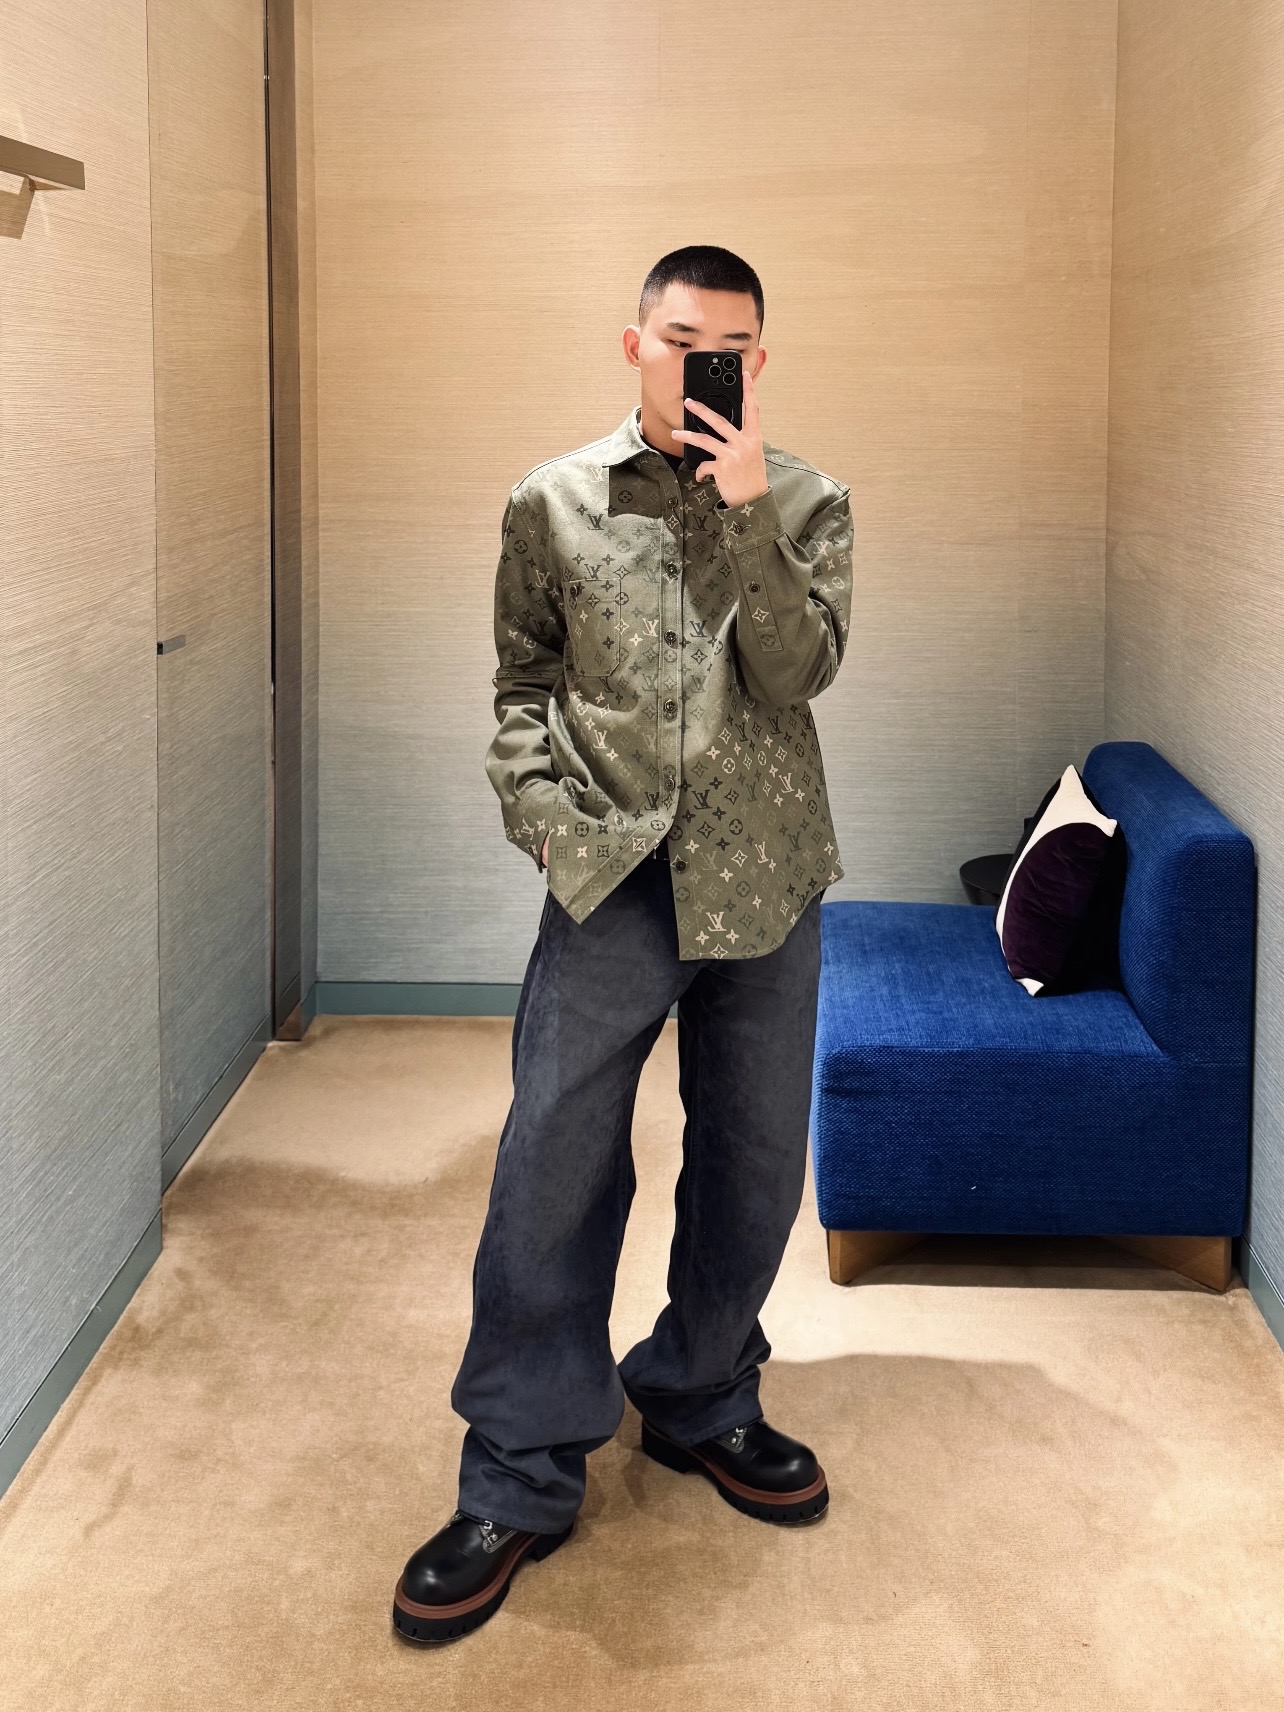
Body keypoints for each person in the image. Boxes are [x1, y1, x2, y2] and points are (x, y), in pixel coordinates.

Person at [392, 245, 853, 1645]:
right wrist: (541, 820)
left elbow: (800, 671)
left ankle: (702, 1391)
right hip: (610, 876)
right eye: (681, 336)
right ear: (635, 343)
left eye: (733, 345)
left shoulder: (810, 500)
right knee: (554, 1163)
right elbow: (521, 682)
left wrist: (749, 511)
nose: (705, 360)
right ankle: (519, 1471)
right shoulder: (552, 500)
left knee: (755, 1161)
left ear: (757, 360)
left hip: (767, 877)